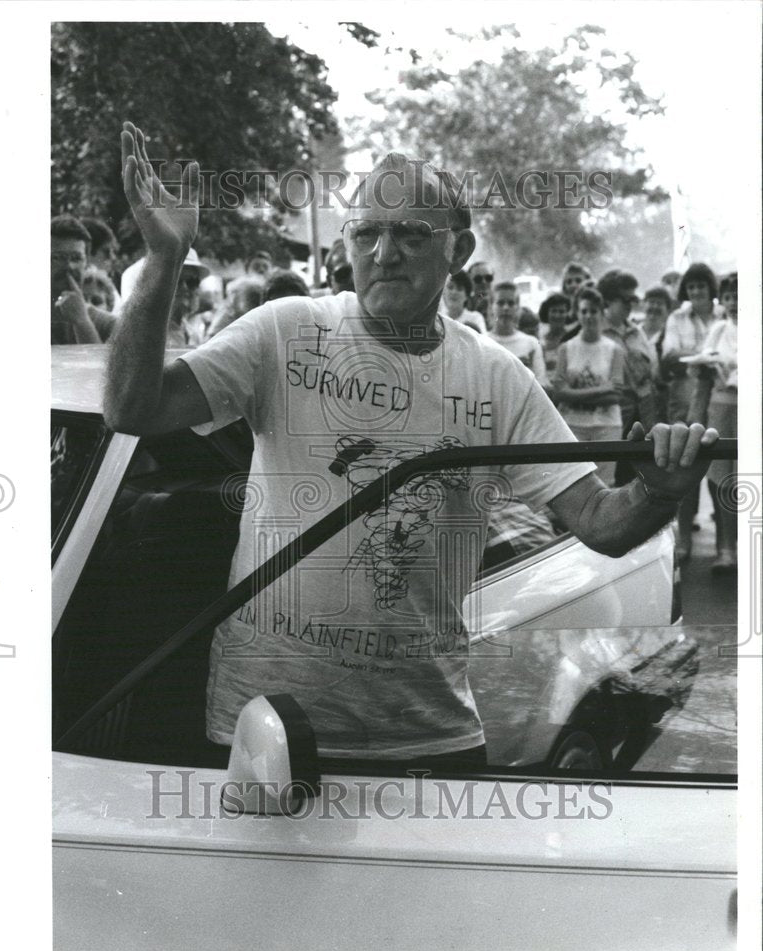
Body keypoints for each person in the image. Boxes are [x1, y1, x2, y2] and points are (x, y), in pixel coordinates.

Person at [105, 121, 717, 764]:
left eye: (410, 233)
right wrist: (164, 259)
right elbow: (130, 406)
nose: (383, 252)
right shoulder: (285, 333)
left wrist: (658, 489)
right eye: (366, 232)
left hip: (426, 735)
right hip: (267, 733)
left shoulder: (495, 375)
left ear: (460, 249)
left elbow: (600, 522)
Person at [660, 262, 724, 557]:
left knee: (718, 470)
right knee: (685, 467)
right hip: (684, 398)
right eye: (691, 286)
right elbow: (669, 354)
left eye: (701, 285)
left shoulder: (724, 314)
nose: (696, 291)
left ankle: (725, 545)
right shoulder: (677, 317)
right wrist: (703, 356)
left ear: (712, 288)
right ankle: (683, 540)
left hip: (718, 400)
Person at [687, 273, 738, 574]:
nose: (733, 303)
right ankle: (725, 549)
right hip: (720, 407)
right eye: (729, 297)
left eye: (739, 296)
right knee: (721, 478)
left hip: (751, 409)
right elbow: (700, 369)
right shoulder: (719, 329)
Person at [552, 287, 625, 485]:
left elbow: (615, 396)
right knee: (573, 482)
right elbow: (559, 394)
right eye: (584, 311)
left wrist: (572, 393)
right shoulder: (566, 348)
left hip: (606, 426)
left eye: (593, 311)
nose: (588, 316)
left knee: (604, 484)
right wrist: (602, 389)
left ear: (602, 313)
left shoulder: (614, 350)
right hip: (573, 425)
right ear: (577, 313)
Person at [597, 269, 657, 487]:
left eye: (634, 299)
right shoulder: (596, 333)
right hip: (612, 419)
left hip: (643, 418)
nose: (631, 304)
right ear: (609, 300)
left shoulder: (636, 332)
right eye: (626, 300)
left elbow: (652, 368)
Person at [51, 215, 114, 344]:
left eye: (76, 258)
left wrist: (82, 321)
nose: (68, 266)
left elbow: (99, 364)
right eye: (57, 258)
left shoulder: (107, 325)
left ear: (86, 263)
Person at [488, 282, 548, 385]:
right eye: (500, 303)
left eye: (511, 303)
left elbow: (540, 383)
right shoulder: (482, 341)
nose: (506, 308)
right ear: (491, 307)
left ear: (517, 307)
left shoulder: (531, 343)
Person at [641, 286, 674, 423]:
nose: (654, 307)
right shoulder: (633, 333)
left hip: (661, 398)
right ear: (644, 305)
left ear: (667, 310)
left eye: (659, 303)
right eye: (651, 302)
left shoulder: (671, 336)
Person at [538, 292, 572, 381]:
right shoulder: (540, 340)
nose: (557, 315)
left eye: (561, 312)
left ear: (567, 313)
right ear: (547, 313)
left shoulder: (573, 338)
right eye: (553, 311)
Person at [467, 260, 496, 330]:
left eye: (488, 278)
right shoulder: (464, 306)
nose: (484, 282)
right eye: (478, 279)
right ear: (470, 281)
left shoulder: (504, 303)